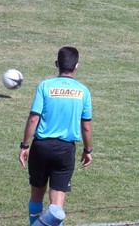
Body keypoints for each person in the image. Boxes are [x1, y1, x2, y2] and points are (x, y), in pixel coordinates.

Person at [18, 46, 93, 226]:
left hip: (41, 147)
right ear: (77, 66)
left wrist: (25, 146)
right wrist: (88, 150)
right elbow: (86, 126)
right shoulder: (83, 91)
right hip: (65, 151)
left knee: (36, 196)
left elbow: (34, 117)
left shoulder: (45, 86)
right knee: (56, 208)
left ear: (56, 64)